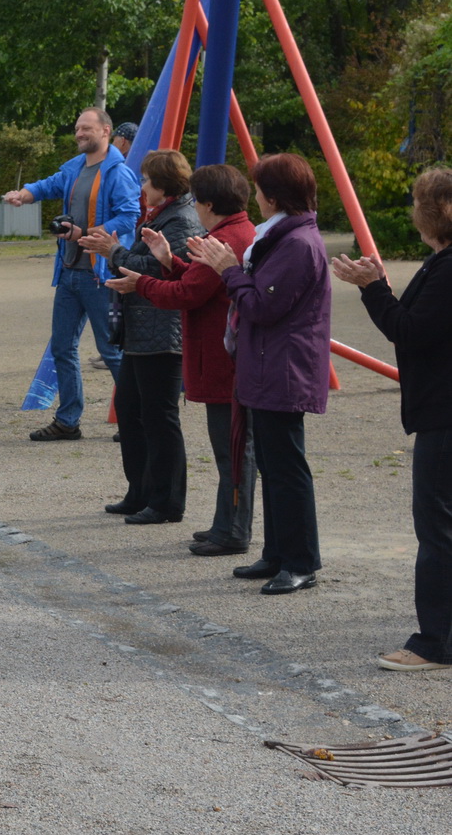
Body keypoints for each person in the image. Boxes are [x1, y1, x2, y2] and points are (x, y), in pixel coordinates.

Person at [186, 152, 331, 595]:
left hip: (284, 369)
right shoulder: (281, 236)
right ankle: (277, 553)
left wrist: (229, 270)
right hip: (268, 365)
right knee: (271, 465)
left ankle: (301, 561)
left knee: (287, 469)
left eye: (261, 189)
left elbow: (262, 307)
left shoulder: (297, 243)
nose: (257, 197)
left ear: (274, 196)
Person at [332, 168, 452, 670]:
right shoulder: (441, 262)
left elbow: (411, 331)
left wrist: (373, 287)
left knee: (438, 527)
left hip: (444, 414)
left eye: (419, 202)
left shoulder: (447, 267)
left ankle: (436, 642)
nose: (413, 212)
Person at [105, 164, 256, 554]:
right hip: (220, 354)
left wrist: (143, 282)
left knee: (233, 451)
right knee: (230, 449)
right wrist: (170, 261)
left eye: (198, 201)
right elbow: (197, 282)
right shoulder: (231, 232)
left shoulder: (225, 238)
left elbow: (189, 294)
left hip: (221, 357)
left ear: (208, 204)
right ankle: (225, 524)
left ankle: (232, 530)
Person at [2, 109, 141, 441]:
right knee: (63, 348)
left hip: (101, 277)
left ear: (105, 131)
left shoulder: (118, 172)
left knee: (112, 351)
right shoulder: (75, 167)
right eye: (77, 128)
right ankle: (68, 421)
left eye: (86, 128)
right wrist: (24, 195)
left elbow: (130, 216)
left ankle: (136, 422)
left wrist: (86, 233)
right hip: (69, 274)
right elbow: (49, 185)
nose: (79, 133)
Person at [81, 149, 203, 524]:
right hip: (142, 330)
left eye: (147, 180)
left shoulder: (181, 220)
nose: (142, 187)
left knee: (159, 417)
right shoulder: (161, 215)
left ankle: (167, 502)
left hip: (163, 332)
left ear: (164, 184)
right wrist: (115, 252)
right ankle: (140, 492)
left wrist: (113, 251)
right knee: (131, 411)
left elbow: (159, 269)